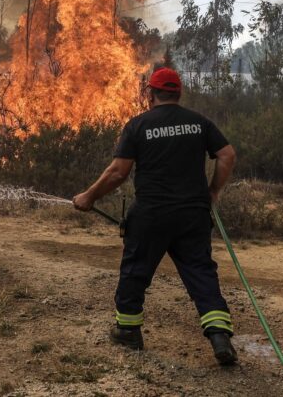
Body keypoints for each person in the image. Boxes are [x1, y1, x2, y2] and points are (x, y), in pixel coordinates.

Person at [72, 67, 238, 365]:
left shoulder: (138, 125)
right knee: (201, 272)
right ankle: (219, 336)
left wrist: (89, 196)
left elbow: (118, 172)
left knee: (136, 271)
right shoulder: (199, 123)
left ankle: (128, 331)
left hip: (151, 215)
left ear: (150, 93)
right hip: (192, 215)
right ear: (178, 93)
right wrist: (213, 191)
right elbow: (227, 155)